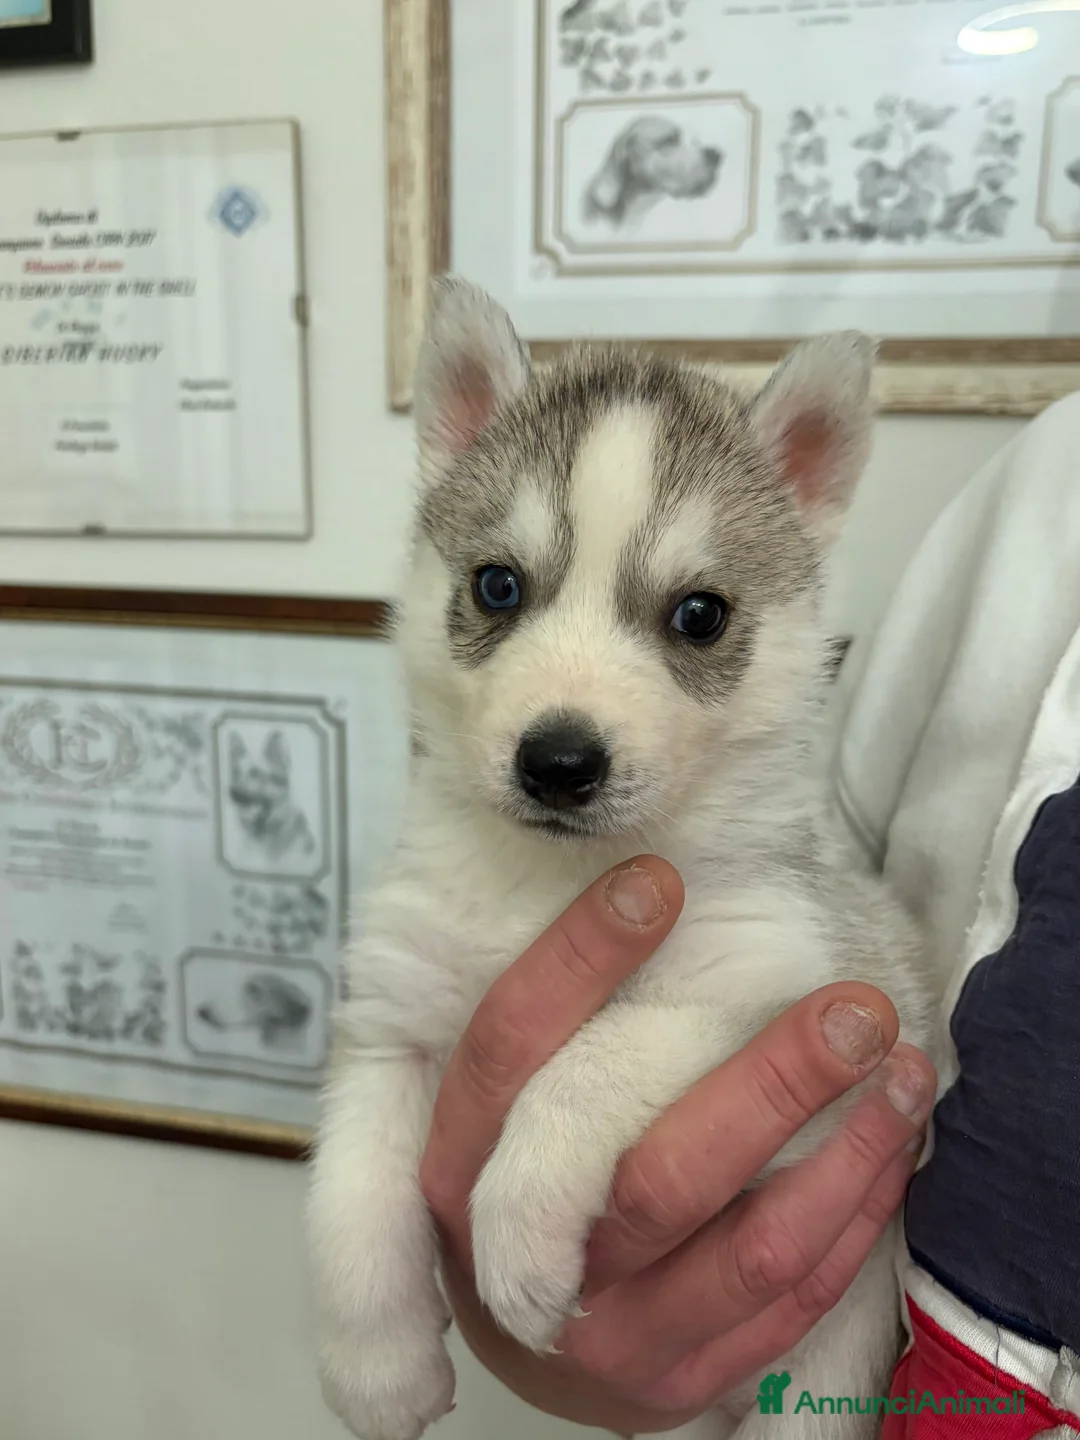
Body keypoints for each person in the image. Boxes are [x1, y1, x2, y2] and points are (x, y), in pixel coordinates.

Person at [419, 391, 1080, 1437]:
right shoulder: (1040, 513)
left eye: (693, 616)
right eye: (502, 591)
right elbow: (829, 1019)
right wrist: (577, 1339)